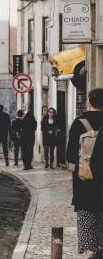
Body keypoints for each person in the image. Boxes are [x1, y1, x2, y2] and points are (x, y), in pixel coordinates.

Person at [66, 88, 103, 258]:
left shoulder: (79, 122)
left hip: (84, 180)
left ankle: (90, 251)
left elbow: (70, 155)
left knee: (86, 214)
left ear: (89, 102)